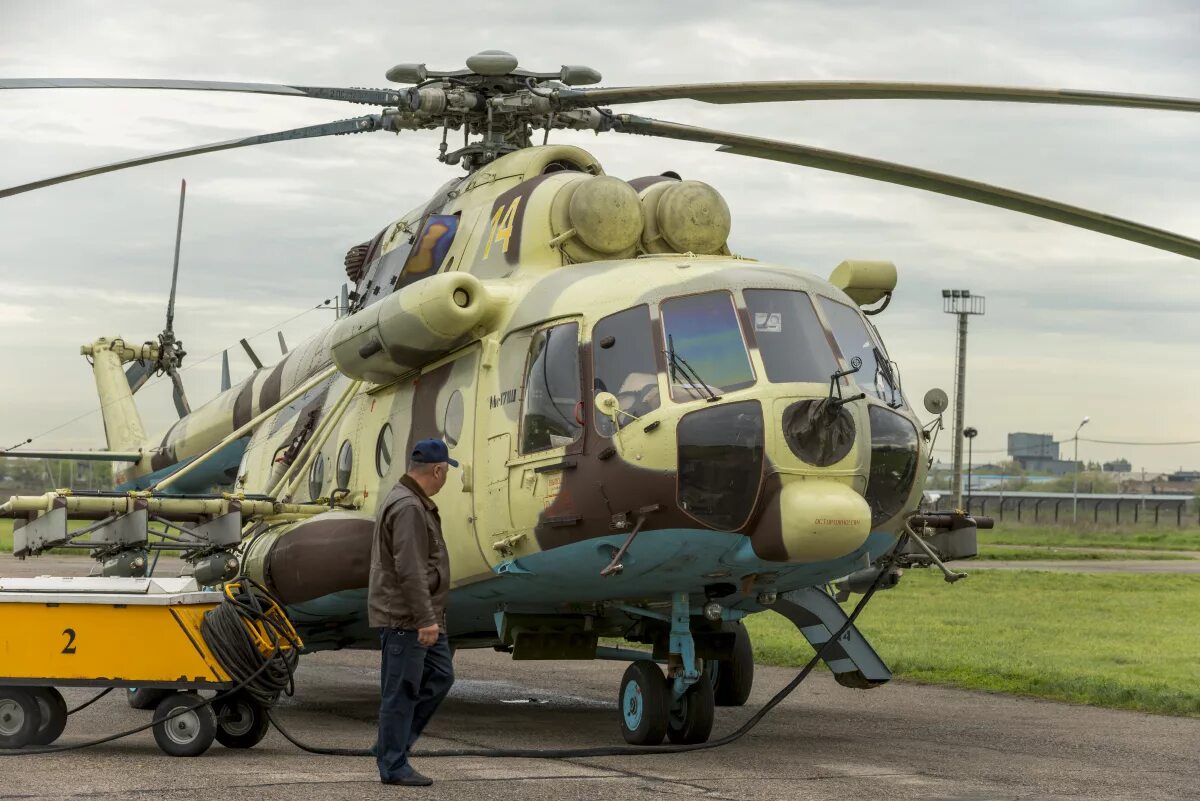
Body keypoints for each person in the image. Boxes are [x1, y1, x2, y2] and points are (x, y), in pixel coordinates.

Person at [368, 438, 458, 786]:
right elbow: (410, 569)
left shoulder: (411, 501)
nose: (446, 477)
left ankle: (391, 745)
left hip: (418, 615)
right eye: (446, 471)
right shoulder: (408, 507)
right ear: (438, 470)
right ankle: (393, 764)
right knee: (401, 690)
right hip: (407, 618)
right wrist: (425, 620)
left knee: (440, 675)